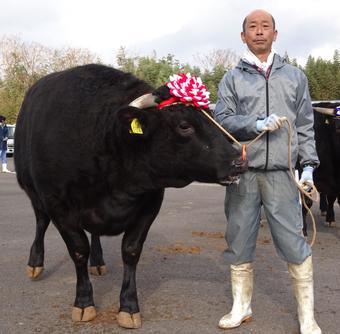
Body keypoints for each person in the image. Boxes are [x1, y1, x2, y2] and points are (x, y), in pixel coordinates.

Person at [213, 9, 321, 334]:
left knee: (293, 242)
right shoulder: (232, 78)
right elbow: (222, 119)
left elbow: (305, 125)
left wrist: (309, 166)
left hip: (282, 174)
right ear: (243, 36)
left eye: (265, 27)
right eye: (252, 27)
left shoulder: (296, 77)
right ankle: (241, 307)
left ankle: (307, 316)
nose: (259, 32)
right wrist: (254, 124)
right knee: (239, 239)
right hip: (243, 174)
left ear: (276, 34)